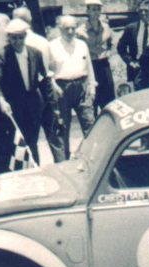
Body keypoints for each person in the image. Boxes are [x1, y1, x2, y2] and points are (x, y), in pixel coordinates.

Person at [0, 19, 55, 172]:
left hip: (31, 107)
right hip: (10, 109)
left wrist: (51, 104)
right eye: (14, 38)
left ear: (25, 36)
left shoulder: (35, 53)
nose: (17, 42)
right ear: (9, 38)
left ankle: (33, 173)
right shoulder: (2, 54)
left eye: (20, 37)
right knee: (10, 145)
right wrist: (1, 100)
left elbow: (44, 79)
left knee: (31, 144)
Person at [12, 6, 64, 163]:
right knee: (53, 135)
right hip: (46, 89)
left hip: (31, 95)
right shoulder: (42, 41)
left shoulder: (15, 44)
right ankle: (61, 165)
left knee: (30, 138)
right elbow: (52, 66)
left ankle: (35, 167)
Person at [48, 15, 96, 161]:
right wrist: (53, 85)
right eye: (66, 28)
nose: (70, 32)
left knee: (90, 125)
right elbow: (47, 71)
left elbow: (89, 67)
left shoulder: (82, 45)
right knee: (62, 128)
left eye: (73, 28)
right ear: (60, 28)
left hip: (81, 87)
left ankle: (93, 160)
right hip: (61, 89)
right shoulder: (52, 46)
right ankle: (63, 163)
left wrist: (92, 86)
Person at [77, 0, 115, 113]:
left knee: (108, 97)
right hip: (90, 66)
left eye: (98, 9)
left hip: (104, 64)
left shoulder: (106, 27)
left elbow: (111, 43)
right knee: (92, 97)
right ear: (87, 11)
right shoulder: (80, 31)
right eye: (93, 9)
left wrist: (108, 53)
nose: (96, 12)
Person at [118, 0, 149, 90]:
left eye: (146, 10)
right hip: (137, 68)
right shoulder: (130, 28)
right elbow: (120, 47)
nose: (143, 13)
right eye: (140, 10)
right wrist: (130, 61)